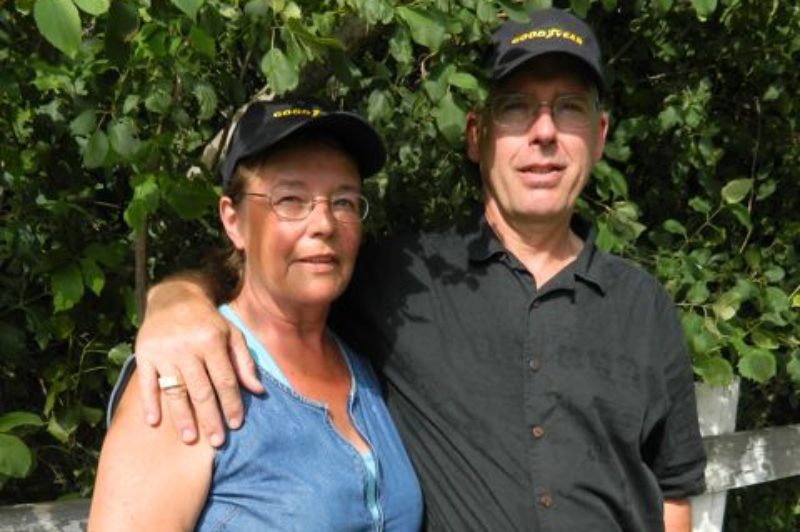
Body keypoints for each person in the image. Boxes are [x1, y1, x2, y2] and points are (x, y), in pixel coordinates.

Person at [128, 9, 706, 532]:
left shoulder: (644, 305)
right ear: (476, 135)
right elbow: (278, 279)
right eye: (517, 108)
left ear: (599, 136)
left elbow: (672, 493)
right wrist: (175, 302)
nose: (545, 133)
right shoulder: (403, 278)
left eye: (570, 108)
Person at [88, 101, 423, 531]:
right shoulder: (187, 376)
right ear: (233, 220)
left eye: (343, 201)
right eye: (290, 199)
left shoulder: (365, 362)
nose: (323, 222)